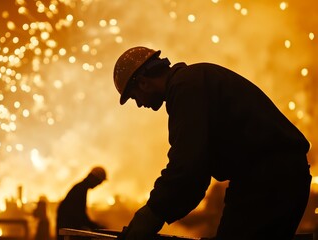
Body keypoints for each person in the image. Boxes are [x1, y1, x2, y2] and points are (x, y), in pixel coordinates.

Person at [112, 46, 311, 240]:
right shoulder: (194, 80)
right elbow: (196, 175)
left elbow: (187, 168)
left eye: (134, 96)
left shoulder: (186, 87)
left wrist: (151, 214)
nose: (139, 103)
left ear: (144, 83)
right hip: (278, 177)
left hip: (269, 181)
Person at [56, 166, 107, 240]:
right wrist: (96, 227)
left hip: (66, 229)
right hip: (67, 230)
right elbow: (80, 215)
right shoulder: (80, 189)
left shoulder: (81, 188)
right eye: (99, 182)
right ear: (94, 178)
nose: (98, 185)